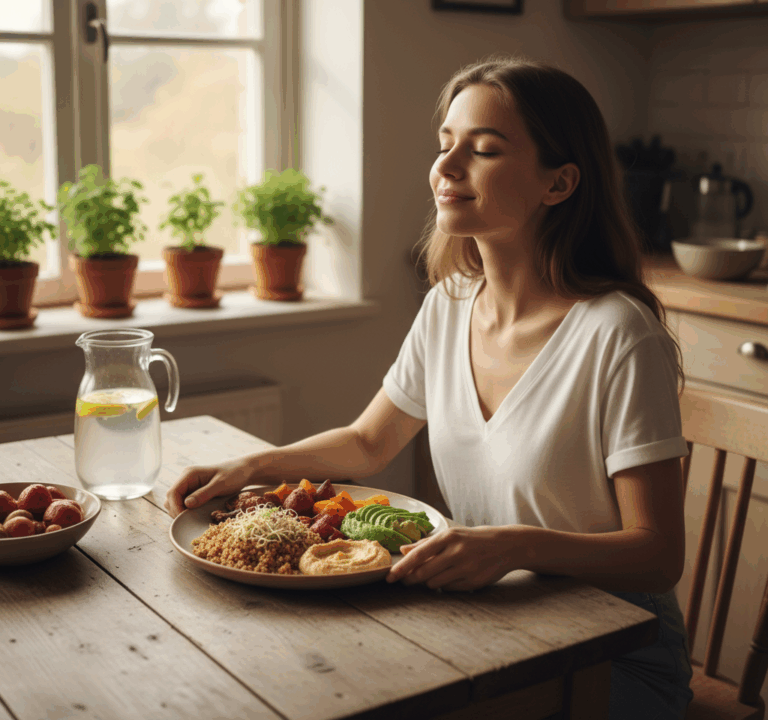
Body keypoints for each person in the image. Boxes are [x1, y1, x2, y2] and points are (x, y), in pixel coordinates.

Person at [164, 54, 694, 720]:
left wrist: (514, 543)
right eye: (446, 145)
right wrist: (253, 464)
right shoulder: (450, 302)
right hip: (495, 624)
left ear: (558, 184)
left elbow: (657, 555)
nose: (446, 168)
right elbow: (367, 442)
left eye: (484, 150)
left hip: (612, 651)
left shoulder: (619, 333)